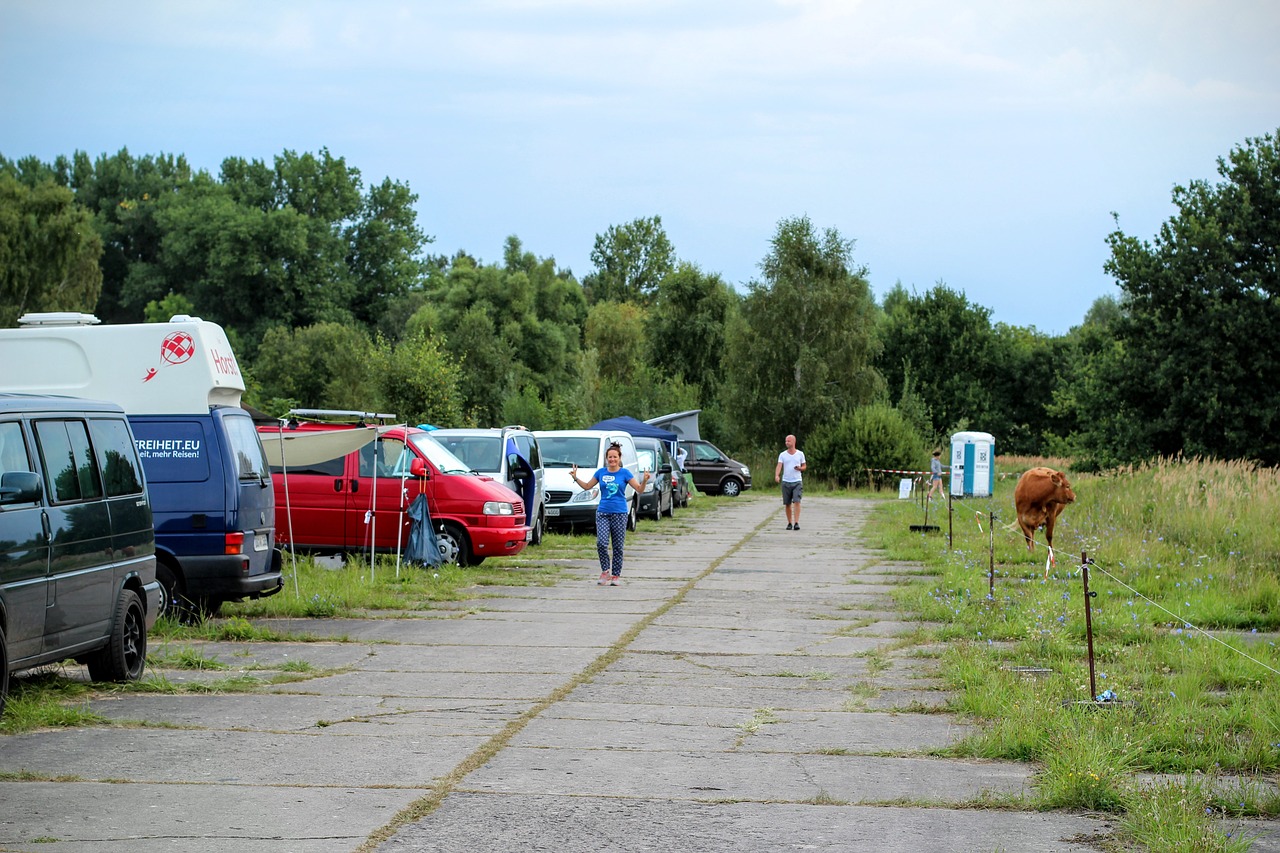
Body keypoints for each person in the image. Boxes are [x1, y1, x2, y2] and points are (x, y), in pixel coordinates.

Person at [571, 443, 650, 586]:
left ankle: (616, 575)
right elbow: (588, 486)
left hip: (620, 513)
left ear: (619, 458)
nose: (612, 459)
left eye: (615, 457)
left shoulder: (625, 473)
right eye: (610, 457)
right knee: (601, 543)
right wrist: (576, 478)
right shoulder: (601, 472)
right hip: (603, 512)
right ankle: (605, 571)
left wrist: (644, 480)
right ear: (606, 458)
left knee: (618, 546)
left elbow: (639, 489)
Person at [774, 433, 807, 530]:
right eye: (786, 441)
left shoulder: (800, 454)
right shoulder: (782, 455)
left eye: (788, 441)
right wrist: (777, 475)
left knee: (797, 501)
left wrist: (800, 468)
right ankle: (789, 523)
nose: (786, 443)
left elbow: (805, 466)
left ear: (793, 442)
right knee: (787, 503)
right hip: (786, 481)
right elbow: (779, 465)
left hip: (797, 481)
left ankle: (796, 522)